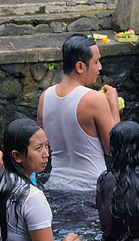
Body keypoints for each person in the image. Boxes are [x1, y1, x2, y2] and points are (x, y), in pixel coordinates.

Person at [0, 118, 80, 241]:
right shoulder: (33, 197)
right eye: (38, 148)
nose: (46, 153)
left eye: (46, 146)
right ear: (17, 156)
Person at [37, 33, 120, 191]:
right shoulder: (94, 99)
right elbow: (114, 149)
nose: (100, 67)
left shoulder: (44, 97)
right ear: (80, 66)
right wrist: (114, 106)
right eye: (96, 62)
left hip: (55, 185)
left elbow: (42, 146)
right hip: (91, 187)